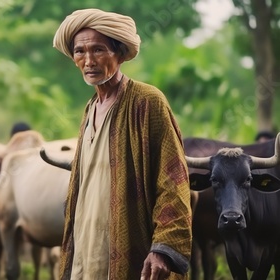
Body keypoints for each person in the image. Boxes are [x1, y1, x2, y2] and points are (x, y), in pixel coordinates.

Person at [52, 9, 192, 279]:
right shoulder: (90, 109)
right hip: (85, 248)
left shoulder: (147, 101)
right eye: (79, 52)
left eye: (98, 50)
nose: (88, 60)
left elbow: (173, 179)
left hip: (132, 248)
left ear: (120, 53)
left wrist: (163, 248)